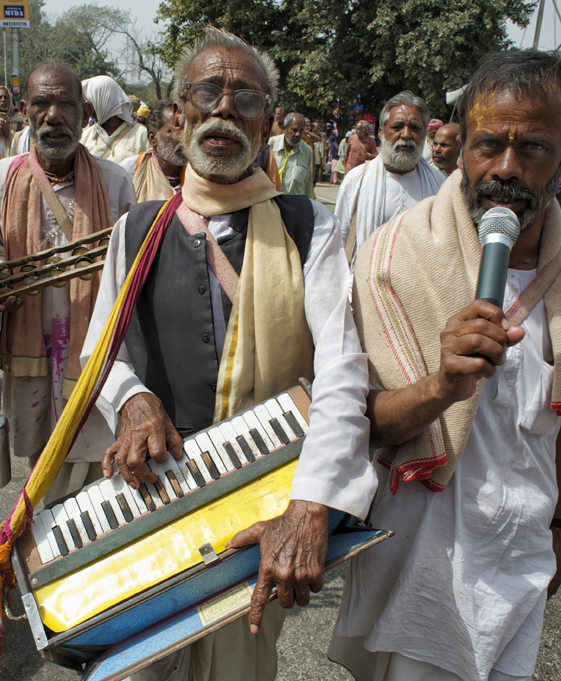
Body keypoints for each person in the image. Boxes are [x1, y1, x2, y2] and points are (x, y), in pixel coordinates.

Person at [331, 48, 561, 681]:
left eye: (533, 148)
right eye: (487, 143)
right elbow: (361, 423)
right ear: (460, 143)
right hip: (415, 546)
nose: (505, 168)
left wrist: (558, 526)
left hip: (518, 549)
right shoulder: (395, 257)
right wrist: (443, 385)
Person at [82, 26, 373, 681]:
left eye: (244, 99)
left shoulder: (307, 225)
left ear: (267, 120)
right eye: (208, 93)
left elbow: (342, 369)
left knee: (241, 661)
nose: (223, 110)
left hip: (264, 498)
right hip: (158, 490)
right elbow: (101, 350)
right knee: (146, 662)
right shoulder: (137, 229)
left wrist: (312, 504)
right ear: (180, 111)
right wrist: (131, 400)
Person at [0, 62, 135, 477]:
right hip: (31, 340)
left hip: (93, 344)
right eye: (42, 104)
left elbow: (130, 272)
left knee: (95, 463)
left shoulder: (115, 183)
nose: (54, 116)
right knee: (41, 461)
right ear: (25, 112)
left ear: (84, 114)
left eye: (66, 104)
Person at [336, 91, 446, 258]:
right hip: (365, 281)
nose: (406, 135)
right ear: (380, 133)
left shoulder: (438, 183)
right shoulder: (357, 180)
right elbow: (339, 242)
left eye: (415, 128)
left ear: (424, 134)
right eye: (397, 127)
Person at [119, 99, 186, 201]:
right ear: (152, 138)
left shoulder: (197, 174)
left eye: (185, 130)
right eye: (172, 131)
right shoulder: (131, 169)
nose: (182, 137)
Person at [79, 75, 149, 163]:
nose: (87, 108)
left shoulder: (141, 134)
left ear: (105, 101)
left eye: (91, 102)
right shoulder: (86, 137)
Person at [267, 112, 315, 198]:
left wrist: (309, 206)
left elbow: (308, 184)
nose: (298, 134)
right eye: (294, 130)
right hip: (272, 204)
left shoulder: (307, 151)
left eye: (301, 131)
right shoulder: (271, 145)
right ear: (285, 128)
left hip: (295, 206)